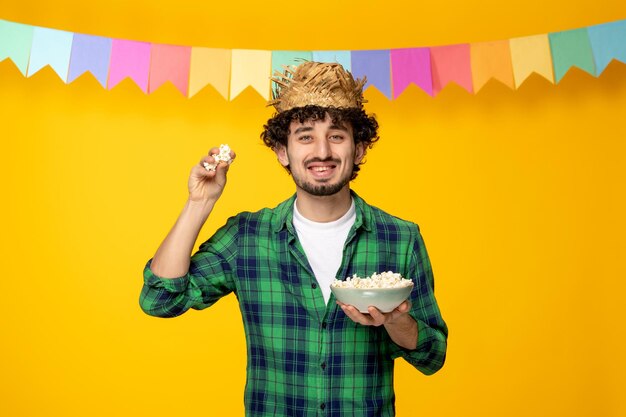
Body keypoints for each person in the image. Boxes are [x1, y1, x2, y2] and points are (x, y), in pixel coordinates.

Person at [140, 61, 448, 417]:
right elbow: (159, 299)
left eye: (337, 135)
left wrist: (396, 320)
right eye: (305, 136)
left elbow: (433, 356)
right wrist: (199, 203)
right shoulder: (247, 237)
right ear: (282, 151)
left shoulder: (400, 238)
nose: (322, 151)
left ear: (359, 149)